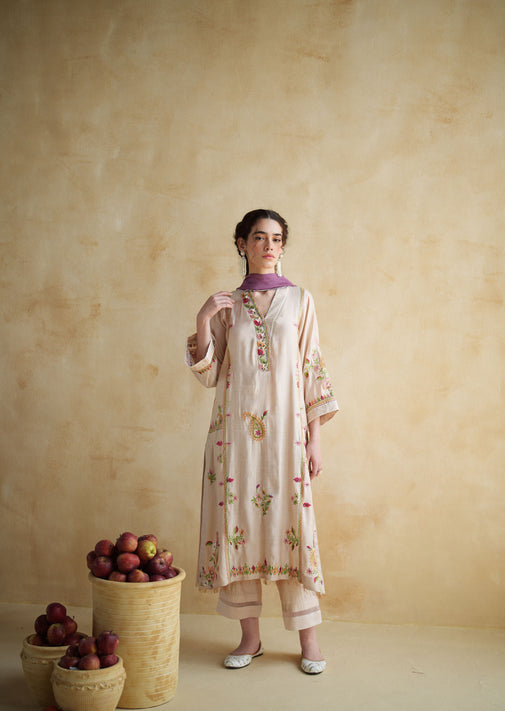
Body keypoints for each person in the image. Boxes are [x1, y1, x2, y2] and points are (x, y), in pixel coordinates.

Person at [186, 209, 338, 674]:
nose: (269, 246)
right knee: (239, 525)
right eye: (259, 237)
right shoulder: (226, 304)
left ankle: (309, 642)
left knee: (292, 527)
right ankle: (249, 640)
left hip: (288, 437)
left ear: (283, 246)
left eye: (276, 238)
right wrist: (204, 317)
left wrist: (314, 440)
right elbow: (209, 373)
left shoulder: (300, 300)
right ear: (242, 244)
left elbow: (311, 367)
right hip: (235, 438)